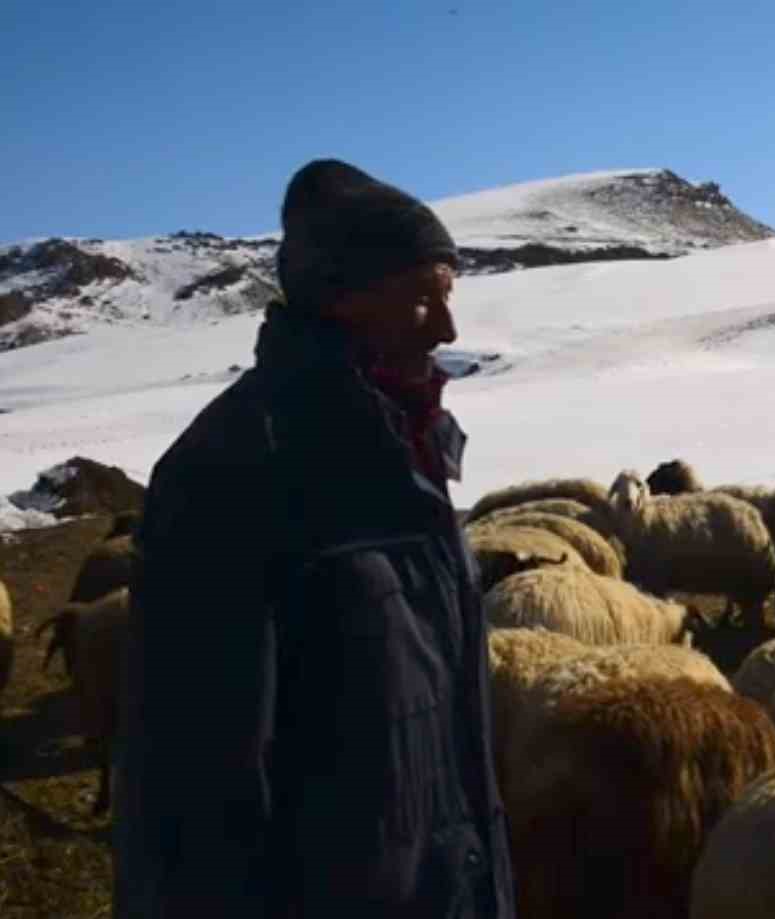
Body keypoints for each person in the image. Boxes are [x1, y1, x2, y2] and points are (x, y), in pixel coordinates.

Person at [114, 159, 515, 917]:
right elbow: (191, 800)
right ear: (342, 298)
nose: (449, 327)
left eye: (449, 295)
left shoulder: (410, 454)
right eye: (422, 297)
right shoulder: (235, 470)